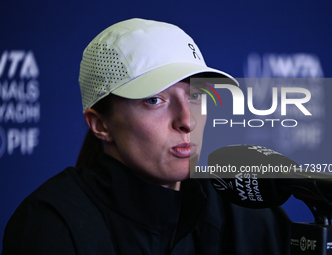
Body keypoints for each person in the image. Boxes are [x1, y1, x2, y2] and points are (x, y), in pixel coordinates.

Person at [1, 18, 291, 255]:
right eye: (154, 100)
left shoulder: (248, 214)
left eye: (196, 95)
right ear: (100, 124)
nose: (187, 121)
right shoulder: (52, 222)